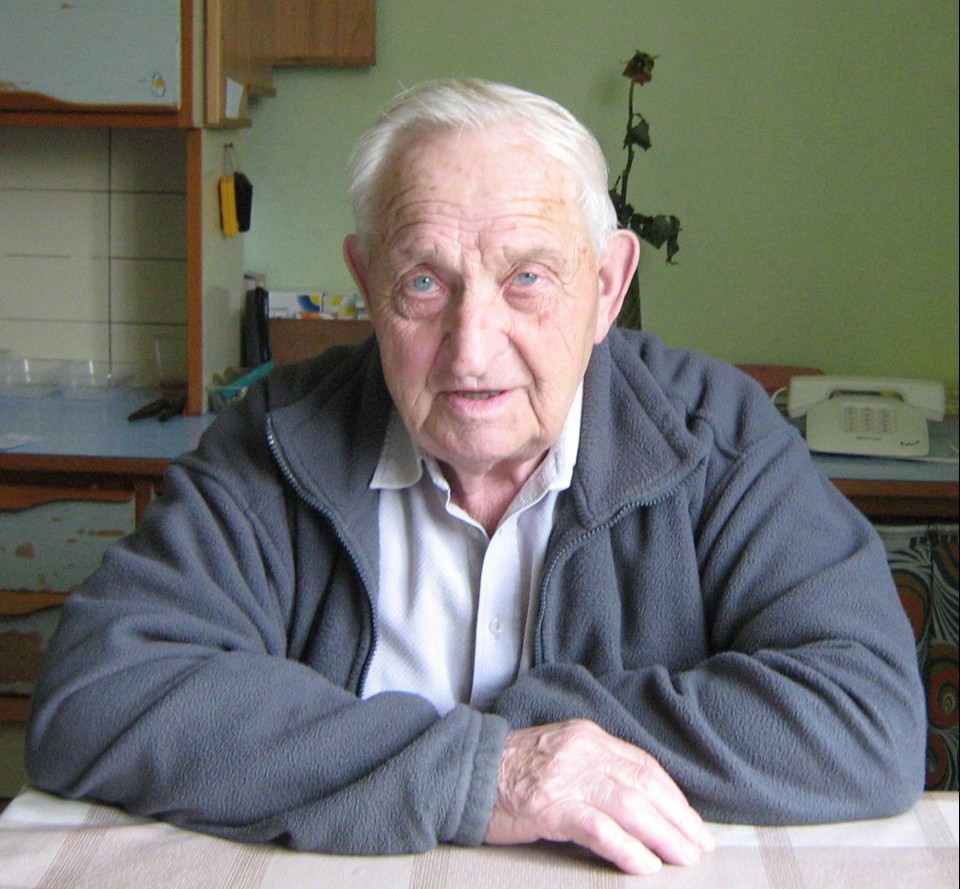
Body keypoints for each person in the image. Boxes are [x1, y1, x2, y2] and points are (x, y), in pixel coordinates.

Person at [26, 79, 926, 876]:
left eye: (527, 277)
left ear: (607, 286)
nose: (471, 347)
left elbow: (867, 715)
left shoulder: (716, 438)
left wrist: (550, 742)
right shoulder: (276, 439)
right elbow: (96, 694)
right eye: (424, 283)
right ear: (366, 280)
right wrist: (482, 770)